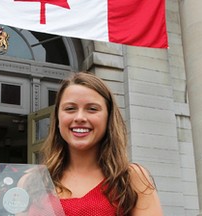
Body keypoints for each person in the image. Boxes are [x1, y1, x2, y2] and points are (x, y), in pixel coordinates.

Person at [41, 72, 163, 216]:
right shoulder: (34, 181)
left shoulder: (131, 179)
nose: (80, 117)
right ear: (58, 117)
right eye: (70, 108)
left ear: (108, 117)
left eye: (92, 109)